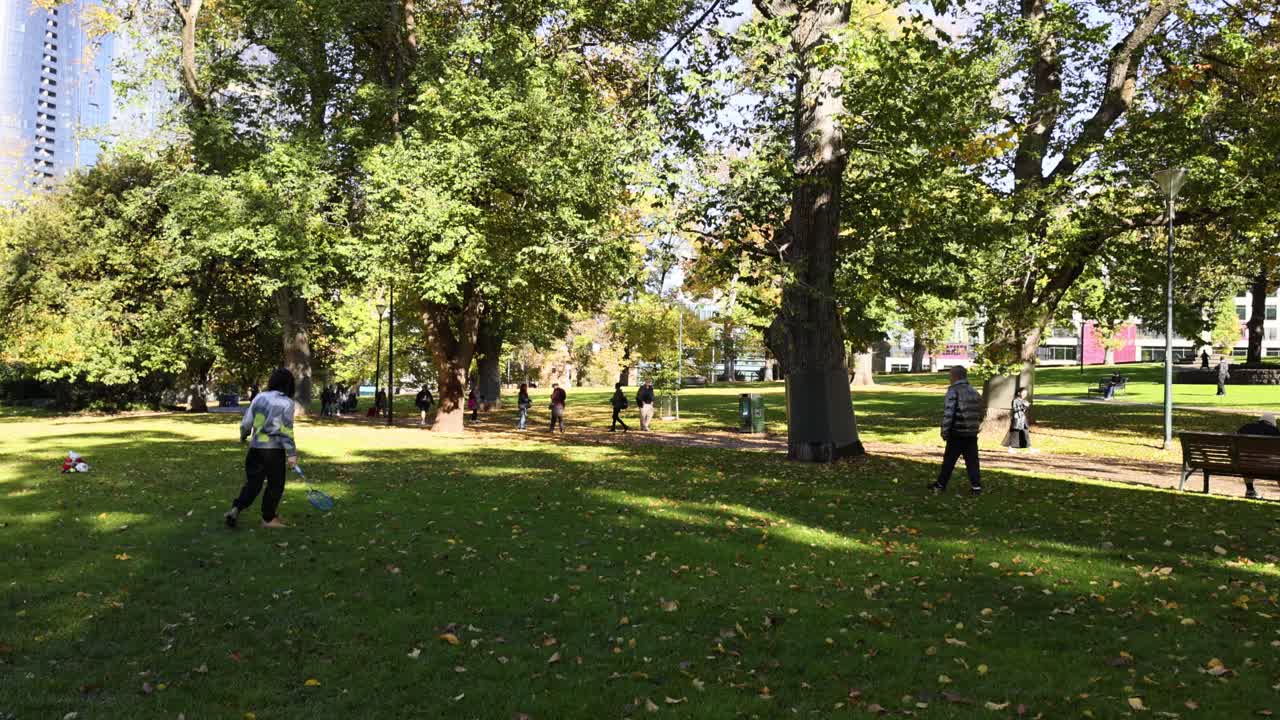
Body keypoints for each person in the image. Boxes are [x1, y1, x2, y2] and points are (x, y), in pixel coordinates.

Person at [226, 368, 298, 529]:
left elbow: (247, 422)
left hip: (255, 447)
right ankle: (268, 518)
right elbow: (286, 430)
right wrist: (291, 454)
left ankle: (236, 508)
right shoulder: (287, 403)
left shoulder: (259, 397)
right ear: (289, 384)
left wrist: (243, 435)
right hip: (273, 450)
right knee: (275, 485)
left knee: (253, 483)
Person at [929, 365, 983, 496]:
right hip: (971, 433)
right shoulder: (974, 391)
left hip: (957, 432)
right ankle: (976, 486)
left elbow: (949, 413)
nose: (949, 378)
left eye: (950, 375)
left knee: (949, 460)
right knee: (972, 461)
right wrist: (975, 428)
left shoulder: (953, 391)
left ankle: (941, 484)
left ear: (955, 376)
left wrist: (945, 431)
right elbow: (980, 413)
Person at [1238, 413, 1279, 499]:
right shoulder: (1274, 431)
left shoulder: (1245, 427)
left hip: (1243, 463)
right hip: (1266, 465)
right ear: (1272, 423)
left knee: (1248, 460)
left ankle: (1250, 490)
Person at [1002, 388, 1031, 452]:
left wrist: (1026, 406)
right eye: (1023, 393)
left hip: (1022, 418)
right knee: (1014, 433)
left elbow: (1023, 410)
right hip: (1017, 419)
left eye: (1026, 393)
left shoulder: (1023, 401)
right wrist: (1023, 406)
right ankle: (1010, 448)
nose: (1025, 394)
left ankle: (1030, 448)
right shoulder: (1015, 400)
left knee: (1025, 432)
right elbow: (1015, 409)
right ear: (1019, 393)